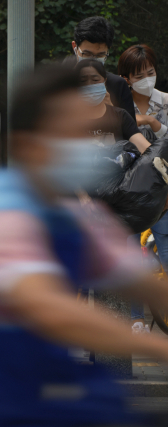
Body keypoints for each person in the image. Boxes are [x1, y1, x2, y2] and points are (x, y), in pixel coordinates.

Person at [0, 64, 168, 427]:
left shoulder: (72, 215)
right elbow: (48, 309)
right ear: (28, 146)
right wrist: (156, 346)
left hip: (48, 384)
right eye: (70, 137)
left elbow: (137, 277)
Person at [118, 44, 168, 333]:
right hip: (130, 197)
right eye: (140, 75)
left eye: (151, 72)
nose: (148, 79)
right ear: (127, 79)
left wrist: (151, 122)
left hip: (163, 198)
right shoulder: (119, 105)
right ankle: (135, 320)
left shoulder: (165, 102)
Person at [77, 59, 150, 153]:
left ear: (105, 82)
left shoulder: (120, 116)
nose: (89, 85)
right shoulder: (67, 118)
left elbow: (144, 147)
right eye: (82, 81)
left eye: (95, 80)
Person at [69, 16, 136, 119]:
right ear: (75, 47)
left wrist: (111, 110)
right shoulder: (58, 84)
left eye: (100, 55)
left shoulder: (118, 85)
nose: (93, 60)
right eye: (87, 54)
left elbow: (131, 133)